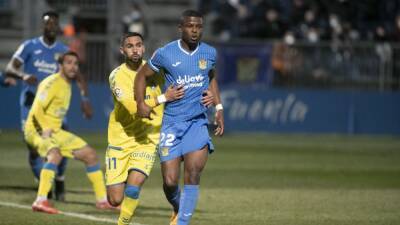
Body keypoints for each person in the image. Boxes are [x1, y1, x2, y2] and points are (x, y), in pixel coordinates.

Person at [106, 32, 214, 225]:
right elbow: (134, 108)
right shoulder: (117, 76)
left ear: (143, 47)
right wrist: (164, 97)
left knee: (133, 189)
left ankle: (122, 223)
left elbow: (187, 79)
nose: (135, 49)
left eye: (138, 45)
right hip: (120, 140)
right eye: (129, 46)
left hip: (148, 140)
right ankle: (178, 209)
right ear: (122, 50)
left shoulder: (156, 68)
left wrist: (210, 96)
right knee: (114, 199)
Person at [134, 9, 224, 225]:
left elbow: (210, 76)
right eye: (190, 26)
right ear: (181, 28)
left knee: (193, 173)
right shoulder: (166, 53)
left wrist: (218, 106)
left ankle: (182, 222)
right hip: (172, 124)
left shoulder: (209, 53)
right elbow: (141, 76)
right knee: (170, 181)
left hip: (197, 122)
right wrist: (140, 103)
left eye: (199, 26)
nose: (195, 30)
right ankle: (177, 208)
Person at [5, 11, 93, 201]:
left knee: (62, 144)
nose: (51, 26)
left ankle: (59, 178)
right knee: (34, 148)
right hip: (31, 104)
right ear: (42, 26)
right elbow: (10, 68)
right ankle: (46, 183)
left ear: (58, 26)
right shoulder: (29, 46)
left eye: (54, 23)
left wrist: (85, 99)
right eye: (48, 23)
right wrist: (23, 76)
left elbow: (78, 75)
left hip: (56, 108)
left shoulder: (63, 51)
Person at [25, 51, 112, 214]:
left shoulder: (66, 83)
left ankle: (102, 201)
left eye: (76, 63)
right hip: (35, 130)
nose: (73, 66)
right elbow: (36, 109)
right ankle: (41, 200)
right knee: (55, 154)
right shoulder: (51, 83)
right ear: (60, 65)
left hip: (56, 132)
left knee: (91, 155)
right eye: (69, 63)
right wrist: (44, 129)